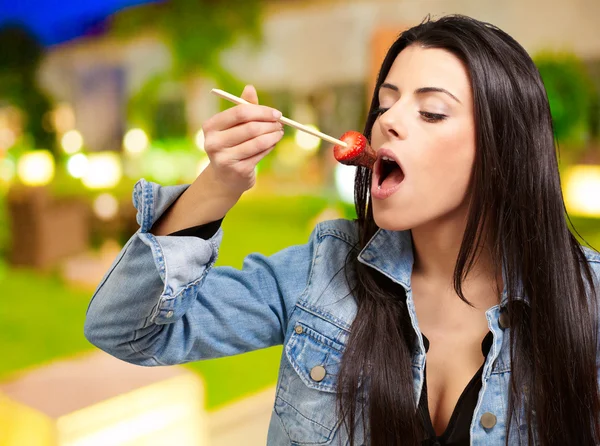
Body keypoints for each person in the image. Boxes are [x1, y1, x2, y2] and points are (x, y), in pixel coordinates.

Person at [84, 14, 600, 446]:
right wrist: (216, 186)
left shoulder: (589, 305)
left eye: (431, 111)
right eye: (386, 101)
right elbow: (125, 329)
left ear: (503, 150)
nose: (388, 120)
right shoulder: (324, 272)